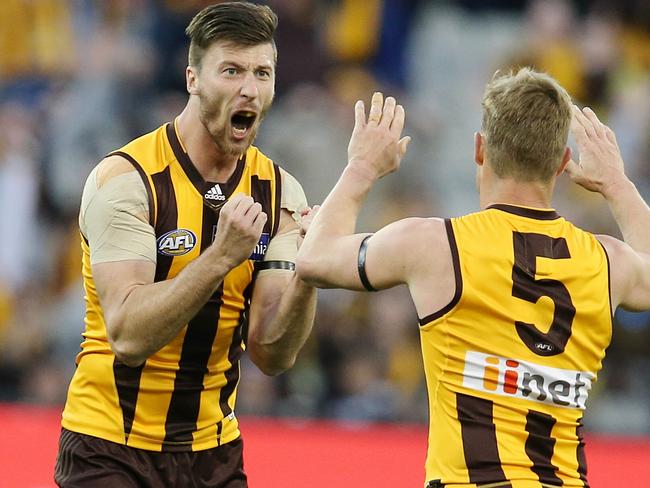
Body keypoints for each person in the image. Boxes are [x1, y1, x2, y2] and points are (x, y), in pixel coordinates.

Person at [297, 68, 650, 487]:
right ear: (563, 164)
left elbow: (314, 259)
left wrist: (361, 167)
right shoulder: (609, 261)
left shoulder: (436, 245)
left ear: (480, 149)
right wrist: (618, 184)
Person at [55, 3, 317, 487]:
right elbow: (129, 336)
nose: (249, 89)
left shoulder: (281, 194)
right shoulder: (127, 181)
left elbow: (272, 355)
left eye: (263, 72)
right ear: (193, 79)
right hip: (110, 448)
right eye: (232, 71)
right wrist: (220, 257)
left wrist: (308, 279)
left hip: (212, 454)